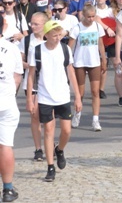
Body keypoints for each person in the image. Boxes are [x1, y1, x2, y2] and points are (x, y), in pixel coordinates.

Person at [26, 21, 82, 183]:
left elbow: (71, 73)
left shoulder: (65, 50)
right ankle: (50, 167)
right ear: (46, 35)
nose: (58, 38)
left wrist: (77, 96)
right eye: (54, 35)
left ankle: (60, 149)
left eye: (60, 35)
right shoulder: (37, 51)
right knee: (49, 131)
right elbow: (31, 76)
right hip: (44, 96)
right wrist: (30, 99)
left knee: (66, 131)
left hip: (63, 95)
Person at [68, 4, 107, 131]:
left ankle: (95, 119)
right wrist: (69, 63)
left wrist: (104, 59)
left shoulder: (97, 26)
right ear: (83, 16)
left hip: (94, 62)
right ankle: (77, 114)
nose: (91, 19)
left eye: (93, 16)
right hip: (79, 62)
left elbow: (100, 44)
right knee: (80, 92)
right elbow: (70, 46)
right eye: (88, 17)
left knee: (95, 92)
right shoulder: (77, 28)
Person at [0, 14, 23, 202]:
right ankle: (7, 189)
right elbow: (17, 77)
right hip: (6, 101)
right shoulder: (11, 48)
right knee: (6, 146)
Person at [19, 13, 47, 162]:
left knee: (49, 117)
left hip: (49, 82)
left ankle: (50, 144)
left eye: (36, 24)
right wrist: (31, 66)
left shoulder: (51, 38)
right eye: (31, 24)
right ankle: (38, 148)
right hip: (32, 81)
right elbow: (19, 59)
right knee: (35, 115)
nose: (32, 26)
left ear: (44, 24)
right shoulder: (26, 40)